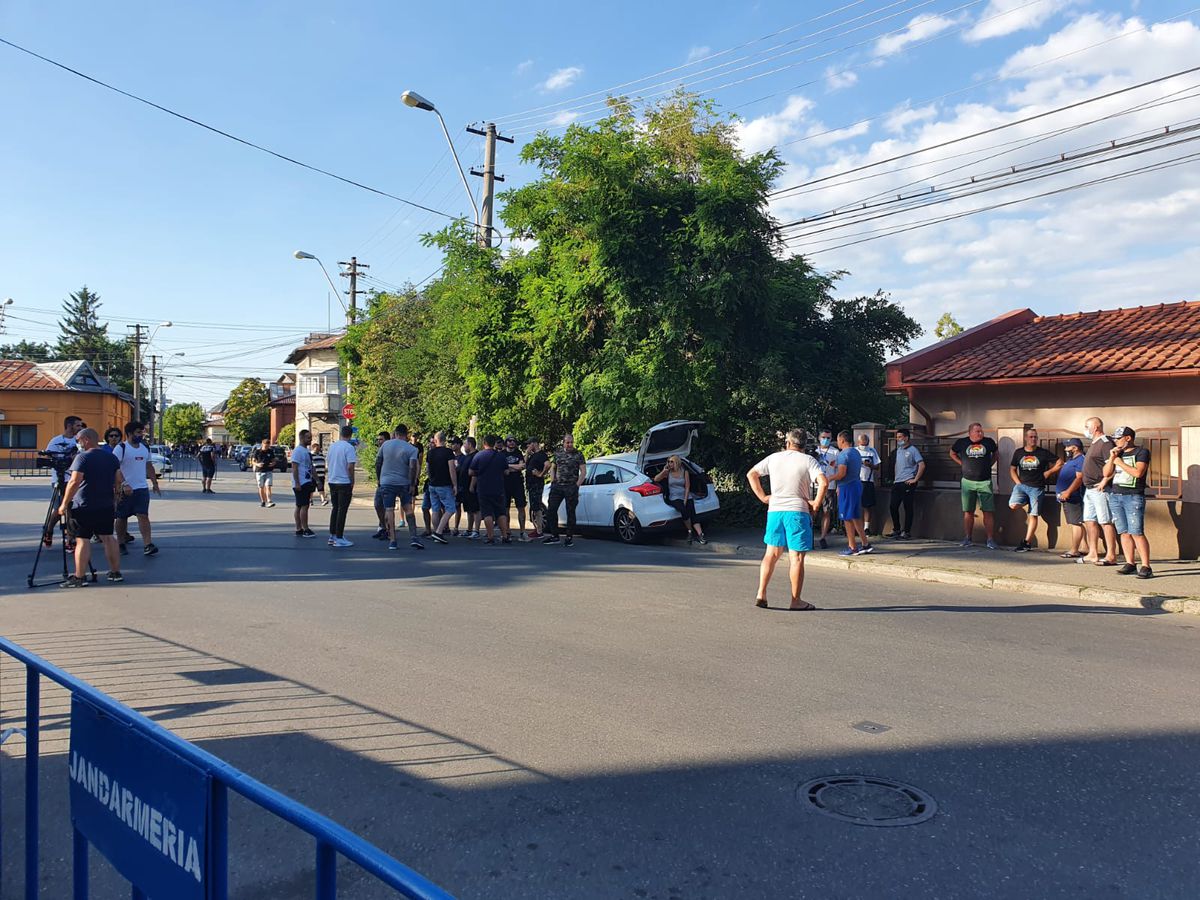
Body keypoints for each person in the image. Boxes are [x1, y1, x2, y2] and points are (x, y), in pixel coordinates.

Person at [747, 428, 827, 610]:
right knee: (796, 557)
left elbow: (751, 474)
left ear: (788, 443)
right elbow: (823, 482)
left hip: (775, 510)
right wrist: (815, 503)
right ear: (804, 444)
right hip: (797, 511)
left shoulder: (774, 458)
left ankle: (761, 593)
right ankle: (795, 600)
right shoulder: (808, 461)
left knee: (771, 553)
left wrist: (763, 497)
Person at [58, 428, 126, 587]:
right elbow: (118, 479)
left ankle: (80, 576)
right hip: (106, 504)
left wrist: (64, 503)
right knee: (108, 537)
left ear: (86, 439)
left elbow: (74, 482)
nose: (78, 444)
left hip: (84, 505)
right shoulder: (111, 457)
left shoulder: (82, 457)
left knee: (82, 540)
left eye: (79, 440)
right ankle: (115, 572)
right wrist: (115, 498)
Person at [1104, 426, 1153, 579]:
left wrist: (1120, 462)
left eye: (1118, 439)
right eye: (1114, 439)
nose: (1115, 441)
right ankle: (1130, 563)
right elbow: (1106, 473)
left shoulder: (1141, 452)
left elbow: (1138, 473)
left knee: (1136, 532)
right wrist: (1113, 458)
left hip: (1132, 496)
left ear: (1128, 438)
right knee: (1123, 532)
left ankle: (1146, 566)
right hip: (1115, 495)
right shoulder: (1117, 453)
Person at [1008, 427, 1062, 552]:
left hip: (1037, 488)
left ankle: (1027, 542)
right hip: (1022, 486)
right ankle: (1026, 500)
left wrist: (1049, 472)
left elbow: (1060, 462)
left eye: (1035, 437)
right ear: (1026, 438)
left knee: (1033, 514)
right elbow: (1012, 469)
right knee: (1013, 505)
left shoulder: (1043, 453)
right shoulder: (1019, 452)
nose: (1033, 439)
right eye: (1031, 437)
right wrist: (1018, 483)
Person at [115, 421, 162, 557]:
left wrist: (155, 483)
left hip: (141, 488)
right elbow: (115, 468)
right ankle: (120, 543)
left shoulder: (144, 448)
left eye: (142, 432)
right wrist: (123, 484)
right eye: (138, 432)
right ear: (129, 433)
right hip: (124, 489)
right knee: (122, 517)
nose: (141, 435)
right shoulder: (121, 448)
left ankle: (148, 544)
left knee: (143, 515)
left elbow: (148, 466)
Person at [950, 423, 999, 549]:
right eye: (977, 431)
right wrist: (962, 464)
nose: (980, 433)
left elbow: (996, 454)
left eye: (981, 431)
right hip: (967, 481)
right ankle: (968, 538)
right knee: (968, 511)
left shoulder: (988, 442)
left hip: (985, 481)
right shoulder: (962, 442)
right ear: (970, 432)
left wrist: (989, 464)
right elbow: (952, 453)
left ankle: (990, 539)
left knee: (988, 511)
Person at [1080, 416, 1118, 566]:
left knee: (1105, 521)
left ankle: (1111, 555)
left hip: (1100, 489)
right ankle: (1093, 553)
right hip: (1089, 489)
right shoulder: (1093, 444)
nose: (1085, 430)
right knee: (1089, 520)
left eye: (1086, 426)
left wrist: (1104, 480)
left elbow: (1114, 465)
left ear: (1095, 427)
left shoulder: (1105, 443)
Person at [378, 424, 422, 550]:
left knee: (389, 510)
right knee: (408, 509)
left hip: (386, 482)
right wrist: (412, 484)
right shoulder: (412, 449)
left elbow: (378, 462)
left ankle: (392, 540)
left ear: (395, 433)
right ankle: (414, 537)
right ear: (406, 434)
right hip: (404, 483)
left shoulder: (386, 445)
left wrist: (379, 479)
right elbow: (413, 467)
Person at [541, 434, 587, 547]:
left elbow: (583, 472)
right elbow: (553, 468)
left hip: (571, 486)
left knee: (570, 511)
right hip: (558, 486)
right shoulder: (558, 453)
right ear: (563, 443)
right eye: (567, 442)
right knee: (551, 510)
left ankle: (569, 536)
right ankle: (555, 535)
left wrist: (577, 485)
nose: (570, 444)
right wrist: (553, 481)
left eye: (571, 442)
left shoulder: (578, 454)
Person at [653, 454, 707, 544]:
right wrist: (663, 471)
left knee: (692, 513)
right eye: (669, 462)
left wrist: (685, 500)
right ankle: (690, 531)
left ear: (677, 462)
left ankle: (700, 535)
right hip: (674, 497)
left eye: (671, 462)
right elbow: (656, 479)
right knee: (683, 509)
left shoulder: (684, 472)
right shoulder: (668, 473)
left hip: (685, 495)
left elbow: (687, 487)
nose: (670, 463)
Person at [832, 431, 871, 556]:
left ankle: (852, 546)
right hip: (856, 484)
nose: (837, 443)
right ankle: (865, 543)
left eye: (838, 440)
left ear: (842, 440)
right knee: (854, 515)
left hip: (847, 487)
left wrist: (829, 478)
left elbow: (842, 474)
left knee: (847, 518)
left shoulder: (843, 454)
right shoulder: (855, 452)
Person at [469, 435, 511, 544]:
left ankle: (490, 536)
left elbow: (471, 472)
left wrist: (479, 473)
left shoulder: (479, 456)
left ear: (484, 443)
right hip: (498, 488)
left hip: (483, 488)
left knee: (487, 513)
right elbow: (506, 472)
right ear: (494, 444)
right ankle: (505, 536)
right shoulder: (501, 456)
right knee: (501, 512)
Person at [887, 428, 924, 539]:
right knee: (893, 506)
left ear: (906, 438)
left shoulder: (913, 450)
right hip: (897, 482)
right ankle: (896, 529)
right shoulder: (897, 450)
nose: (898, 439)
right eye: (897, 437)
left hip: (908, 482)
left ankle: (906, 531)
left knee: (908, 507)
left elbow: (921, 465)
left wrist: (915, 479)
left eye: (900, 437)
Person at [326, 424, 357, 547]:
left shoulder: (333, 446)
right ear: (350, 435)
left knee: (335, 508)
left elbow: (328, 462)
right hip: (344, 482)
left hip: (332, 480)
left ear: (341, 434)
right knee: (342, 510)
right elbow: (350, 467)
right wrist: (352, 480)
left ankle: (332, 535)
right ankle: (339, 537)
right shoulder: (349, 448)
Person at [1055, 438, 1086, 559]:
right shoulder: (1071, 460)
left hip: (1073, 497)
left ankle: (1074, 550)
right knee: (1076, 522)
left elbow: (1079, 478)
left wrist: (1068, 492)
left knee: (1076, 523)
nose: (1065, 449)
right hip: (1067, 497)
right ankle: (1084, 546)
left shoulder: (1080, 460)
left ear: (1075, 448)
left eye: (1068, 447)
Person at [425, 431, 458, 544]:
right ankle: (439, 532)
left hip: (433, 484)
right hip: (444, 484)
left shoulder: (430, 453)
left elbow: (428, 469)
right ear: (444, 440)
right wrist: (455, 484)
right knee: (450, 508)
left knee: (435, 509)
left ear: (436, 440)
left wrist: (431, 479)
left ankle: (435, 531)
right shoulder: (448, 452)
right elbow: (452, 469)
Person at [814, 428, 838, 549]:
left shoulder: (835, 452)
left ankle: (823, 537)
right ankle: (809, 535)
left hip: (830, 486)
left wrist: (838, 486)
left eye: (828, 438)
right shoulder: (814, 451)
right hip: (814, 485)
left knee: (826, 511)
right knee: (812, 511)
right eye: (823, 437)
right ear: (819, 438)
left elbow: (839, 470)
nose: (825, 440)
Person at [291, 429, 317, 538]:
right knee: (304, 506)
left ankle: (299, 529)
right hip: (301, 482)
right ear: (302, 438)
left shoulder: (306, 451)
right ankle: (305, 529)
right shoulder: (298, 451)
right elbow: (294, 467)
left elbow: (311, 467)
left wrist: (318, 481)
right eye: (308, 437)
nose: (310, 440)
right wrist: (297, 482)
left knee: (299, 505)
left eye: (310, 437)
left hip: (306, 481)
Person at [502, 435, 529, 540]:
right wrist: (514, 466)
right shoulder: (502, 454)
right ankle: (507, 531)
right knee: (505, 508)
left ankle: (522, 531)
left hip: (517, 483)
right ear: (506, 442)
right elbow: (503, 469)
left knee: (521, 507)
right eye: (509, 441)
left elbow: (522, 466)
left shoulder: (518, 453)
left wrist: (509, 466)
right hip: (505, 484)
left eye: (513, 441)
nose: (512, 442)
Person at [856, 434, 881, 536]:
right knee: (856, 505)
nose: (864, 443)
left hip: (868, 480)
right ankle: (855, 527)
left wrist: (869, 465)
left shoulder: (872, 451)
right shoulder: (855, 451)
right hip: (856, 480)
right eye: (862, 441)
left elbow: (877, 466)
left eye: (866, 441)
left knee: (867, 505)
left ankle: (866, 528)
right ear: (858, 442)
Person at [524, 438, 548, 539]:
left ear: (534, 444)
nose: (528, 446)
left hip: (536, 484)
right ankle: (537, 529)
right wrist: (527, 453)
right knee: (533, 507)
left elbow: (548, 464)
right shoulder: (532, 455)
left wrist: (540, 474)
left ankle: (539, 531)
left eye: (529, 444)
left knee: (537, 507)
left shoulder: (541, 454)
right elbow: (524, 465)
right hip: (530, 484)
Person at [457, 436, 480, 539]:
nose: (464, 446)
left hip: (472, 486)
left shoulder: (476, 456)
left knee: (475, 509)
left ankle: (476, 531)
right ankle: (469, 529)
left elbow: (475, 472)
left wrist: (472, 485)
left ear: (470, 445)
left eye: (465, 444)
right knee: (469, 509)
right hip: (464, 487)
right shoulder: (467, 456)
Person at [371, 431, 391, 540]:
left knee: (386, 506)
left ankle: (387, 529)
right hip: (381, 482)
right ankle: (382, 527)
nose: (379, 441)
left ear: (387, 440)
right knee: (378, 504)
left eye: (381, 439)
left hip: (388, 481)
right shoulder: (380, 450)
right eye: (378, 439)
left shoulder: (389, 451)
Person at [250, 438, 275, 508]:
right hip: (259, 471)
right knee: (261, 487)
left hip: (268, 471)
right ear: (262, 444)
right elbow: (253, 461)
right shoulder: (257, 452)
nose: (266, 448)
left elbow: (274, 460)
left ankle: (269, 501)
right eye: (265, 446)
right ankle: (263, 501)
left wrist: (273, 464)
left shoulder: (270, 451)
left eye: (267, 446)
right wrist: (257, 464)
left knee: (268, 486)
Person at [449, 436, 465, 534]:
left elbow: (462, 470)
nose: (452, 445)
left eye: (454, 443)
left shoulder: (463, 458)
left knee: (458, 506)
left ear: (459, 445)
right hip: (449, 484)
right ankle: (445, 526)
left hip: (459, 484)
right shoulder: (450, 457)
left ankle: (456, 527)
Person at [310, 441, 328, 506]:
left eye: (318, 448)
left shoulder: (321, 455)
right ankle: (310, 500)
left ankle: (323, 500)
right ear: (313, 448)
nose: (318, 449)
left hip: (321, 475)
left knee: (321, 488)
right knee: (312, 489)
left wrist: (325, 470)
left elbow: (324, 462)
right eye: (316, 448)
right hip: (313, 475)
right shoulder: (310, 455)